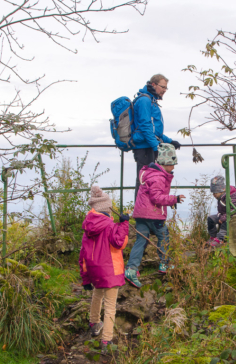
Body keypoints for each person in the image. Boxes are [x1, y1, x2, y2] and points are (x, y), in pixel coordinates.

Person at [125, 143, 185, 288]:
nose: (174, 167)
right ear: (165, 163)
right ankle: (164, 264)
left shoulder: (150, 173)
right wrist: (173, 199)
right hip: (153, 214)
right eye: (172, 164)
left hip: (141, 214)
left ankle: (131, 269)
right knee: (163, 237)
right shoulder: (159, 177)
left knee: (141, 240)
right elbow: (156, 197)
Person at [79, 185, 130, 352]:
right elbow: (119, 243)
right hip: (111, 271)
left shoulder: (87, 228)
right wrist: (124, 224)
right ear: (107, 208)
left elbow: (83, 254)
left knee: (97, 294)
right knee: (110, 306)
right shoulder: (109, 225)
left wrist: (85, 278)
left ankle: (94, 323)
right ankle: (106, 340)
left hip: (95, 272)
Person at [131, 74, 181, 201]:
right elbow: (145, 126)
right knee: (144, 180)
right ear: (153, 85)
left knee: (152, 179)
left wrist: (169, 141)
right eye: (163, 87)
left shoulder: (151, 101)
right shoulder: (145, 101)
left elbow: (154, 131)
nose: (164, 90)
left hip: (148, 145)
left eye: (166, 88)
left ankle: (148, 212)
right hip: (144, 147)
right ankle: (140, 214)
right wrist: (156, 146)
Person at [207, 175, 236, 247]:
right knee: (210, 219)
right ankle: (213, 236)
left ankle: (219, 239)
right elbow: (221, 210)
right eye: (213, 193)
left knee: (225, 223)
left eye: (215, 193)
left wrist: (223, 218)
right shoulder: (221, 197)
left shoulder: (231, 197)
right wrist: (220, 216)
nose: (214, 195)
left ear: (222, 190)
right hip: (223, 215)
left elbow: (233, 210)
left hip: (232, 217)